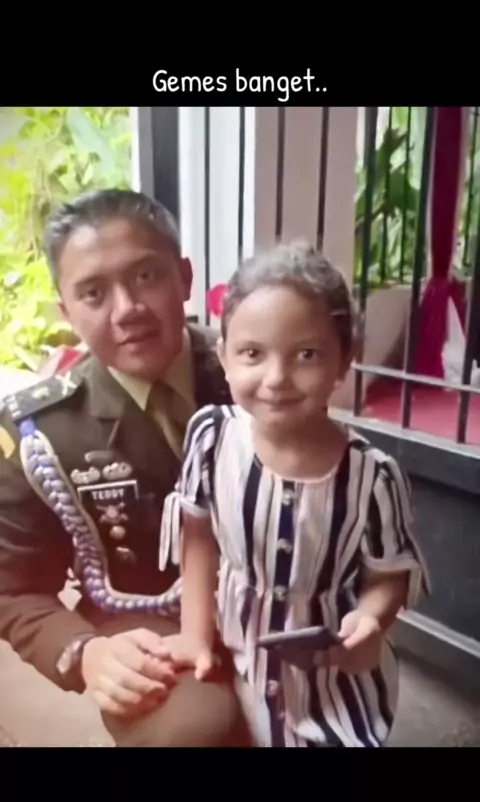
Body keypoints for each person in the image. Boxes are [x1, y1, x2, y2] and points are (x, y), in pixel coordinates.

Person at [0, 188, 253, 747]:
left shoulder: (258, 371)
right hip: (149, 624)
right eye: (93, 292)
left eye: (145, 276)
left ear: (184, 278)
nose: (127, 309)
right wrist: (87, 653)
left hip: (274, 604)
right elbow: (13, 588)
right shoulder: (44, 431)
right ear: (66, 312)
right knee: (196, 727)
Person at [158, 240, 431, 748]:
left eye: (306, 354)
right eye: (252, 354)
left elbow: (389, 574)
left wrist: (371, 619)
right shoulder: (212, 439)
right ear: (223, 356)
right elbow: (198, 538)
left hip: (332, 679)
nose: (277, 378)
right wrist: (194, 636)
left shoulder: (372, 476)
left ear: (344, 360)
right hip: (238, 656)